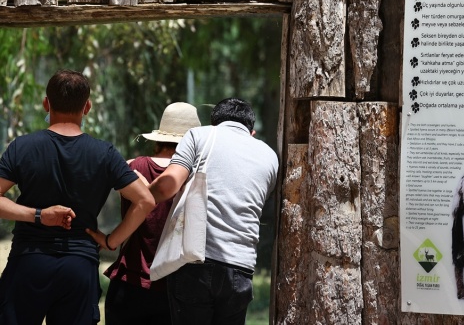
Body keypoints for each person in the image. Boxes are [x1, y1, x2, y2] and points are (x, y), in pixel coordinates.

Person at [0, 69, 155, 325]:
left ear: (46, 103)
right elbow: (145, 200)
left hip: (29, 261)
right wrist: (111, 241)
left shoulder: (22, 146)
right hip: (79, 265)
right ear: (88, 107)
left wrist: (38, 216)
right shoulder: (104, 153)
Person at [147, 97, 279, 325]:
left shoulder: (200, 135)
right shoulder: (270, 156)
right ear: (252, 131)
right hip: (241, 270)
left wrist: (140, 194)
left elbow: (168, 185)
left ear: (214, 122)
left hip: (195, 261)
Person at [103, 102, 201, 325]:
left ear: (158, 138)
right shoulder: (198, 177)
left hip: (129, 283)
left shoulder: (132, 168)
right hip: (174, 290)